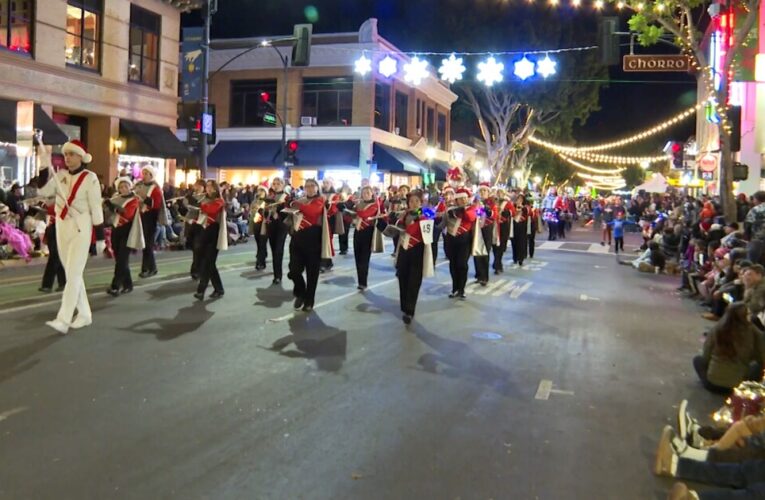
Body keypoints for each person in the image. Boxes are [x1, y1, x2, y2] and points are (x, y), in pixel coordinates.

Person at [35, 139, 106, 335]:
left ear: (81, 157)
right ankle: (84, 314)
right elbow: (43, 191)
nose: (68, 158)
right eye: (66, 154)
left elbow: (96, 207)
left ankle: (63, 318)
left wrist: (100, 236)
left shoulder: (90, 178)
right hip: (61, 225)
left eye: (71, 154)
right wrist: (42, 166)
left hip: (80, 226)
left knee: (73, 273)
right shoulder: (60, 176)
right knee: (71, 272)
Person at [692, 302, 765, 393]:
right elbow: (761, 357)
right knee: (758, 367)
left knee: (697, 360)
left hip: (712, 384)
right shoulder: (752, 331)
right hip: (738, 386)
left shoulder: (717, 329)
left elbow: (706, 356)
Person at [287, 179, 329, 312]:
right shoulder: (301, 200)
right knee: (293, 271)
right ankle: (301, 292)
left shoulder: (321, 200)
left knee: (312, 273)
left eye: (312, 186)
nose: (309, 188)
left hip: (313, 238)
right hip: (297, 238)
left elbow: (312, 212)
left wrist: (296, 204)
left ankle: (309, 301)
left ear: (317, 188)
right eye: (307, 186)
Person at [395, 190, 433, 324]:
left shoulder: (425, 214)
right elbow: (398, 227)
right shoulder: (404, 214)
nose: (414, 203)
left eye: (417, 201)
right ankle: (404, 306)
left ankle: (410, 311)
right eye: (411, 201)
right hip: (404, 250)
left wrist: (419, 219)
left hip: (417, 250)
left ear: (421, 202)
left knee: (413, 282)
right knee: (402, 278)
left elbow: (427, 235)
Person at [104, 177, 143, 296]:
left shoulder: (134, 199)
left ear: (130, 186)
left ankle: (115, 286)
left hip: (128, 230)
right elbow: (108, 215)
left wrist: (113, 207)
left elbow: (128, 214)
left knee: (122, 259)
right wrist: (106, 206)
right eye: (121, 187)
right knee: (120, 259)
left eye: (125, 186)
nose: (123, 189)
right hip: (116, 230)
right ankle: (128, 284)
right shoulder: (116, 198)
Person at [193, 180, 227, 300]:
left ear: (215, 189)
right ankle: (219, 289)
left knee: (208, 262)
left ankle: (201, 290)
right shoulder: (204, 199)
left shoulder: (219, 200)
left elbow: (212, 210)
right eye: (207, 187)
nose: (208, 189)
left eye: (210, 187)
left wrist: (201, 205)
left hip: (214, 233)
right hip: (204, 231)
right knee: (209, 263)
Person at [347, 185, 384, 290]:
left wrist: (355, 209)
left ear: (372, 193)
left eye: (368, 193)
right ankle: (360, 281)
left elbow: (364, 214)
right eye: (363, 193)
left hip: (368, 233)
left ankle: (363, 282)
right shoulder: (359, 204)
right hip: (358, 232)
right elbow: (351, 216)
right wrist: (348, 208)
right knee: (357, 258)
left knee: (364, 258)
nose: (365, 195)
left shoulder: (375, 204)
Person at [133, 166, 166, 278]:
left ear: (151, 175)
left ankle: (147, 268)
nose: (144, 175)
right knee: (145, 244)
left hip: (150, 217)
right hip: (140, 216)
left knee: (147, 244)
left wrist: (144, 199)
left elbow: (156, 205)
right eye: (143, 173)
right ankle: (152, 268)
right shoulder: (139, 185)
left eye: (147, 173)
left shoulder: (155, 188)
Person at [444, 188, 477, 299]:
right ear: (456, 200)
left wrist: (462, 211)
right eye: (460, 199)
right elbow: (443, 222)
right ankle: (455, 288)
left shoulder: (472, 208)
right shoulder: (450, 209)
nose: (463, 201)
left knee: (462, 264)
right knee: (453, 264)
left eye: (465, 198)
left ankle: (462, 289)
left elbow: (470, 217)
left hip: (465, 240)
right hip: (451, 239)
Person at [266, 177, 290, 285]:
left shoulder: (286, 197)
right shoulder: (270, 196)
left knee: (278, 250)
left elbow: (289, 212)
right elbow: (264, 211)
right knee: (273, 249)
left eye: (278, 183)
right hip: (271, 225)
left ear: (282, 184)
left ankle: (278, 276)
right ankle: (276, 273)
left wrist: (278, 215)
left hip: (282, 226)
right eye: (274, 183)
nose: (275, 185)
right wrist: (266, 211)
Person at [38, 197, 66, 293]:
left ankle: (50, 284)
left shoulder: (61, 202)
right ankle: (58, 283)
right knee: (55, 257)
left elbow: (53, 209)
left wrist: (45, 204)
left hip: (58, 229)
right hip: (52, 229)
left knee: (55, 257)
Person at [473, 184, 495, 286]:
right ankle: (478, 274)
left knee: (485, 252)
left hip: (486, 229)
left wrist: (486, 208)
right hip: (476, 229)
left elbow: (493, 214)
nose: (482, 193)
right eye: (480, 191)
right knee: (476, 251)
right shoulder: (474, 202)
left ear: (488, 192)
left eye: (484, 191)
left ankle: (484, 277)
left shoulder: (491, 203)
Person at [185, 179, 206, 280]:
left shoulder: (205, 197)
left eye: (199, 186)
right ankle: (197, 269)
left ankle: (196, 270)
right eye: (195, 185)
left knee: (199, 249)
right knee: (194, 249)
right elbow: (187, 209)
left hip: (201, 225)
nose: (196, 187)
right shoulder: (191, 195)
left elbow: (202, 208)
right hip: (191, 224)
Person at [493, 189, 513, 273]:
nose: (499, 194)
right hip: (494, 226)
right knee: (494, 246)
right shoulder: (493, 202)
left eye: (501, 192)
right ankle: (497, 263)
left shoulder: (507, 203)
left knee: (501, 246)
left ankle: (498, 263)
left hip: (503, 226)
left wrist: (504, 211)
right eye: (498, 192)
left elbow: (513, 212)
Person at [250, 185, 269, 271]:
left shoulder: (267, 202)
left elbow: (268, 213)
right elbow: (252, 213)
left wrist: (261, 210)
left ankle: (260, 261)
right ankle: (262, 256)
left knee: (262, 243)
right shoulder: (255, 201)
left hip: (264, 224)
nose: (260, 192)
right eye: (259, 191)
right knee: (259, 243)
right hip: (256, 223)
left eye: (262, 191)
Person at [511, 195, 530, 267]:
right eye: (518, 198)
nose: (519, 200)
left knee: (521, 242)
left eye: (520, 199)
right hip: (514, 226)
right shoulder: (513, 206)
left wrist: (522, 208)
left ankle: (521, 258)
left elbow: (527, 213)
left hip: (522, 227)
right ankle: (515, 257)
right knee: (514, 242)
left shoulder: (525, 207)